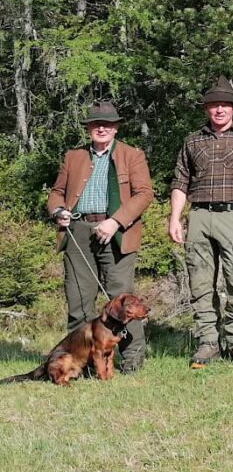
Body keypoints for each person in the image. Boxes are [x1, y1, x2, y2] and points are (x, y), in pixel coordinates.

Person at [168, 76, 233, 369]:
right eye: (214, 105)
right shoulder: (193, 141)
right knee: (201, 283)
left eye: (225, 105)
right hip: (199, 215)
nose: (219, 110)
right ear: (206, 109)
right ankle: (208, 342)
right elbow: (180, 182)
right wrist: (175, 218)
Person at [47, 101, 153, 372]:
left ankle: (131, 362)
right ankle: (79, 365)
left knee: (124, 302)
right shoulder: (74, 156)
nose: (101, 128)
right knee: (79, 302)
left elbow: (144, 194)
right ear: (88, 129)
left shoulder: (133, 155)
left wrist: (115, 221)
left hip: (118, 233)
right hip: (79, 232)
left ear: (116, 127)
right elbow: (57, 192)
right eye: (96, 124)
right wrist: (58, 210)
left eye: (107, 124)